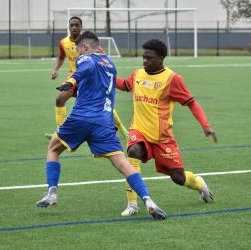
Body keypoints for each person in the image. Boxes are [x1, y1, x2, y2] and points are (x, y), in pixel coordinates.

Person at [36, 31, 167, 221]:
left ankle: (52, 192)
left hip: (82, 118)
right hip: (104, 123)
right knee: (123, 163)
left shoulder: (86, 59)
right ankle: (148, 200)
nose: (79, 55)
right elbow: (96, 85)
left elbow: (85, 67)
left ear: (86, 47)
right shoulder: (110, 65)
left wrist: (72, 80)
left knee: (53, 149)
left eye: (79, 51)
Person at [116, 39, 218, 217]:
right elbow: (124, 84)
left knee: (178, 178)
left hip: (163, 138)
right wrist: (104, 74)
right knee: (133, 151)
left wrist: (206, 126)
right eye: (143, 58)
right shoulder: (138, 74)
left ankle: (199, 183)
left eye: (149, 58)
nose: (145, 61)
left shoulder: (172, 79)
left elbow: (191, 103)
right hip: (139, 131)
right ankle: (132, 204)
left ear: (161, 58)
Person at [45, 16, 128, 139]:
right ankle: (60, 133)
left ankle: (123, 130)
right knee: (59, 100)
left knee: (102, 103)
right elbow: (61, 57)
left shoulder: (89, 42)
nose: (74, 27)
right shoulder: (63, 43)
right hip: (74, 78)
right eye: (72, 25)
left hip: (90, 78)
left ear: (81, 27)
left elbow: (101, 58)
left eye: (76, 25)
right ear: (69, 27)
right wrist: (55, 70)